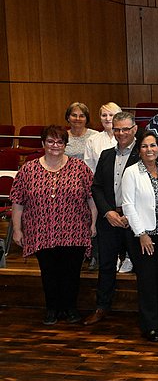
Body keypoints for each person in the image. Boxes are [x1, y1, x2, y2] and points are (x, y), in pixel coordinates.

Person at [11, 125, 97, 325]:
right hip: (41, 231)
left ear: (65, 145)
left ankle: (70, 308)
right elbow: (17, 201)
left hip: (74, 230)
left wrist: (93, 224)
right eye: (50, 141)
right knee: (49, 272)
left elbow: (92, 198)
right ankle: (52, 309)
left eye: (60, 142)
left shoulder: (79, 168)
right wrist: (16, 229)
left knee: (71, 273)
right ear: (43, 143)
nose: (55, 145)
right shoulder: (28, 169)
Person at [83, 111, 140, 326]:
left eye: (126, 129)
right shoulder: (106, 155)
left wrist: (128, 214)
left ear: (134, 129)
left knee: (142, 266)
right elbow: (96, 187)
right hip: (109, 218)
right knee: (106, 265)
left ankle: (147, 311)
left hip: (135, 219)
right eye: (117, 129)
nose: (121, 133)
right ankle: (102, 307)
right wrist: (108, 212)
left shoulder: (143, 153)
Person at [121, 131, 158, 342]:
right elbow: (128, 205)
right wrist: (141, 233)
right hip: (144, 236)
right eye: (144, 146)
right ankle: (149, 325)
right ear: (139, 150)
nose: (149, 150)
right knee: (147, 281)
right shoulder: (132, 172)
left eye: (153, 146)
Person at [84, 102, 122, 173]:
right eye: (104, 115)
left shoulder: (126, 138)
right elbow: (89, 167)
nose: (107, 118)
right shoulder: (92, 140)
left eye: (111, 115)